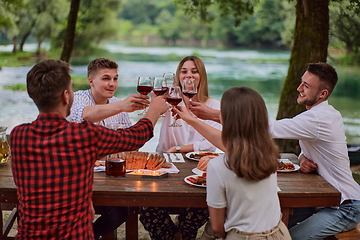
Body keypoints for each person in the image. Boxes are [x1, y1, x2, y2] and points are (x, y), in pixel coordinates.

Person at [175, 62, 360, 239]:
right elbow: (313, 148)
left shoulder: (319, 119)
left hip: (344, 205)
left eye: (306, 85)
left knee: (289, 237)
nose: (299, 88)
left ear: (323, 94)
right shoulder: (315, 117)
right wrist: (303, 158)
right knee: (272, 224)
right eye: (301, 82)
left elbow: (261, 127)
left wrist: (215, 114)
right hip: (320, 201)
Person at [10, 59, 167, 240]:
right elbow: (136, 137)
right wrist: (154, 110)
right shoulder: (84, 135)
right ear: (66, 96)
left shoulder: (17, 136)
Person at [140, 56, 221, 240]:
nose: (188, 76)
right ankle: (171, 236)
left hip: (196, 168)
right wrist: (154, 103)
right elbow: (147, 121)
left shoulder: (213, 106)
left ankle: (183, 234)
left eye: (194, 71)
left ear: (202, 76)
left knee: (201, 204)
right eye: (184, 71)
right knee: (147, 205)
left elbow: (210, 144)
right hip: (165, 167)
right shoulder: (169, 102)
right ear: (178, 76)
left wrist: (178, 148)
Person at [66, 58, 148, 239]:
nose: (112, 84)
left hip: (113, 175)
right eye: (105, 78)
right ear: (90, 81)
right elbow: (84, 116)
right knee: (117, 211)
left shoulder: (120, 103)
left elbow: (130, 144)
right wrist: (121, 106)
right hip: (81, 177)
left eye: (115, 78)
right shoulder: (78, 99)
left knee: (124, 209)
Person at [201, 86, 291, 240]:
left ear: (225, 118)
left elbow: (217, 227)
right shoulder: (270, 154)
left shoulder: (218, 166)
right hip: (279, 233)